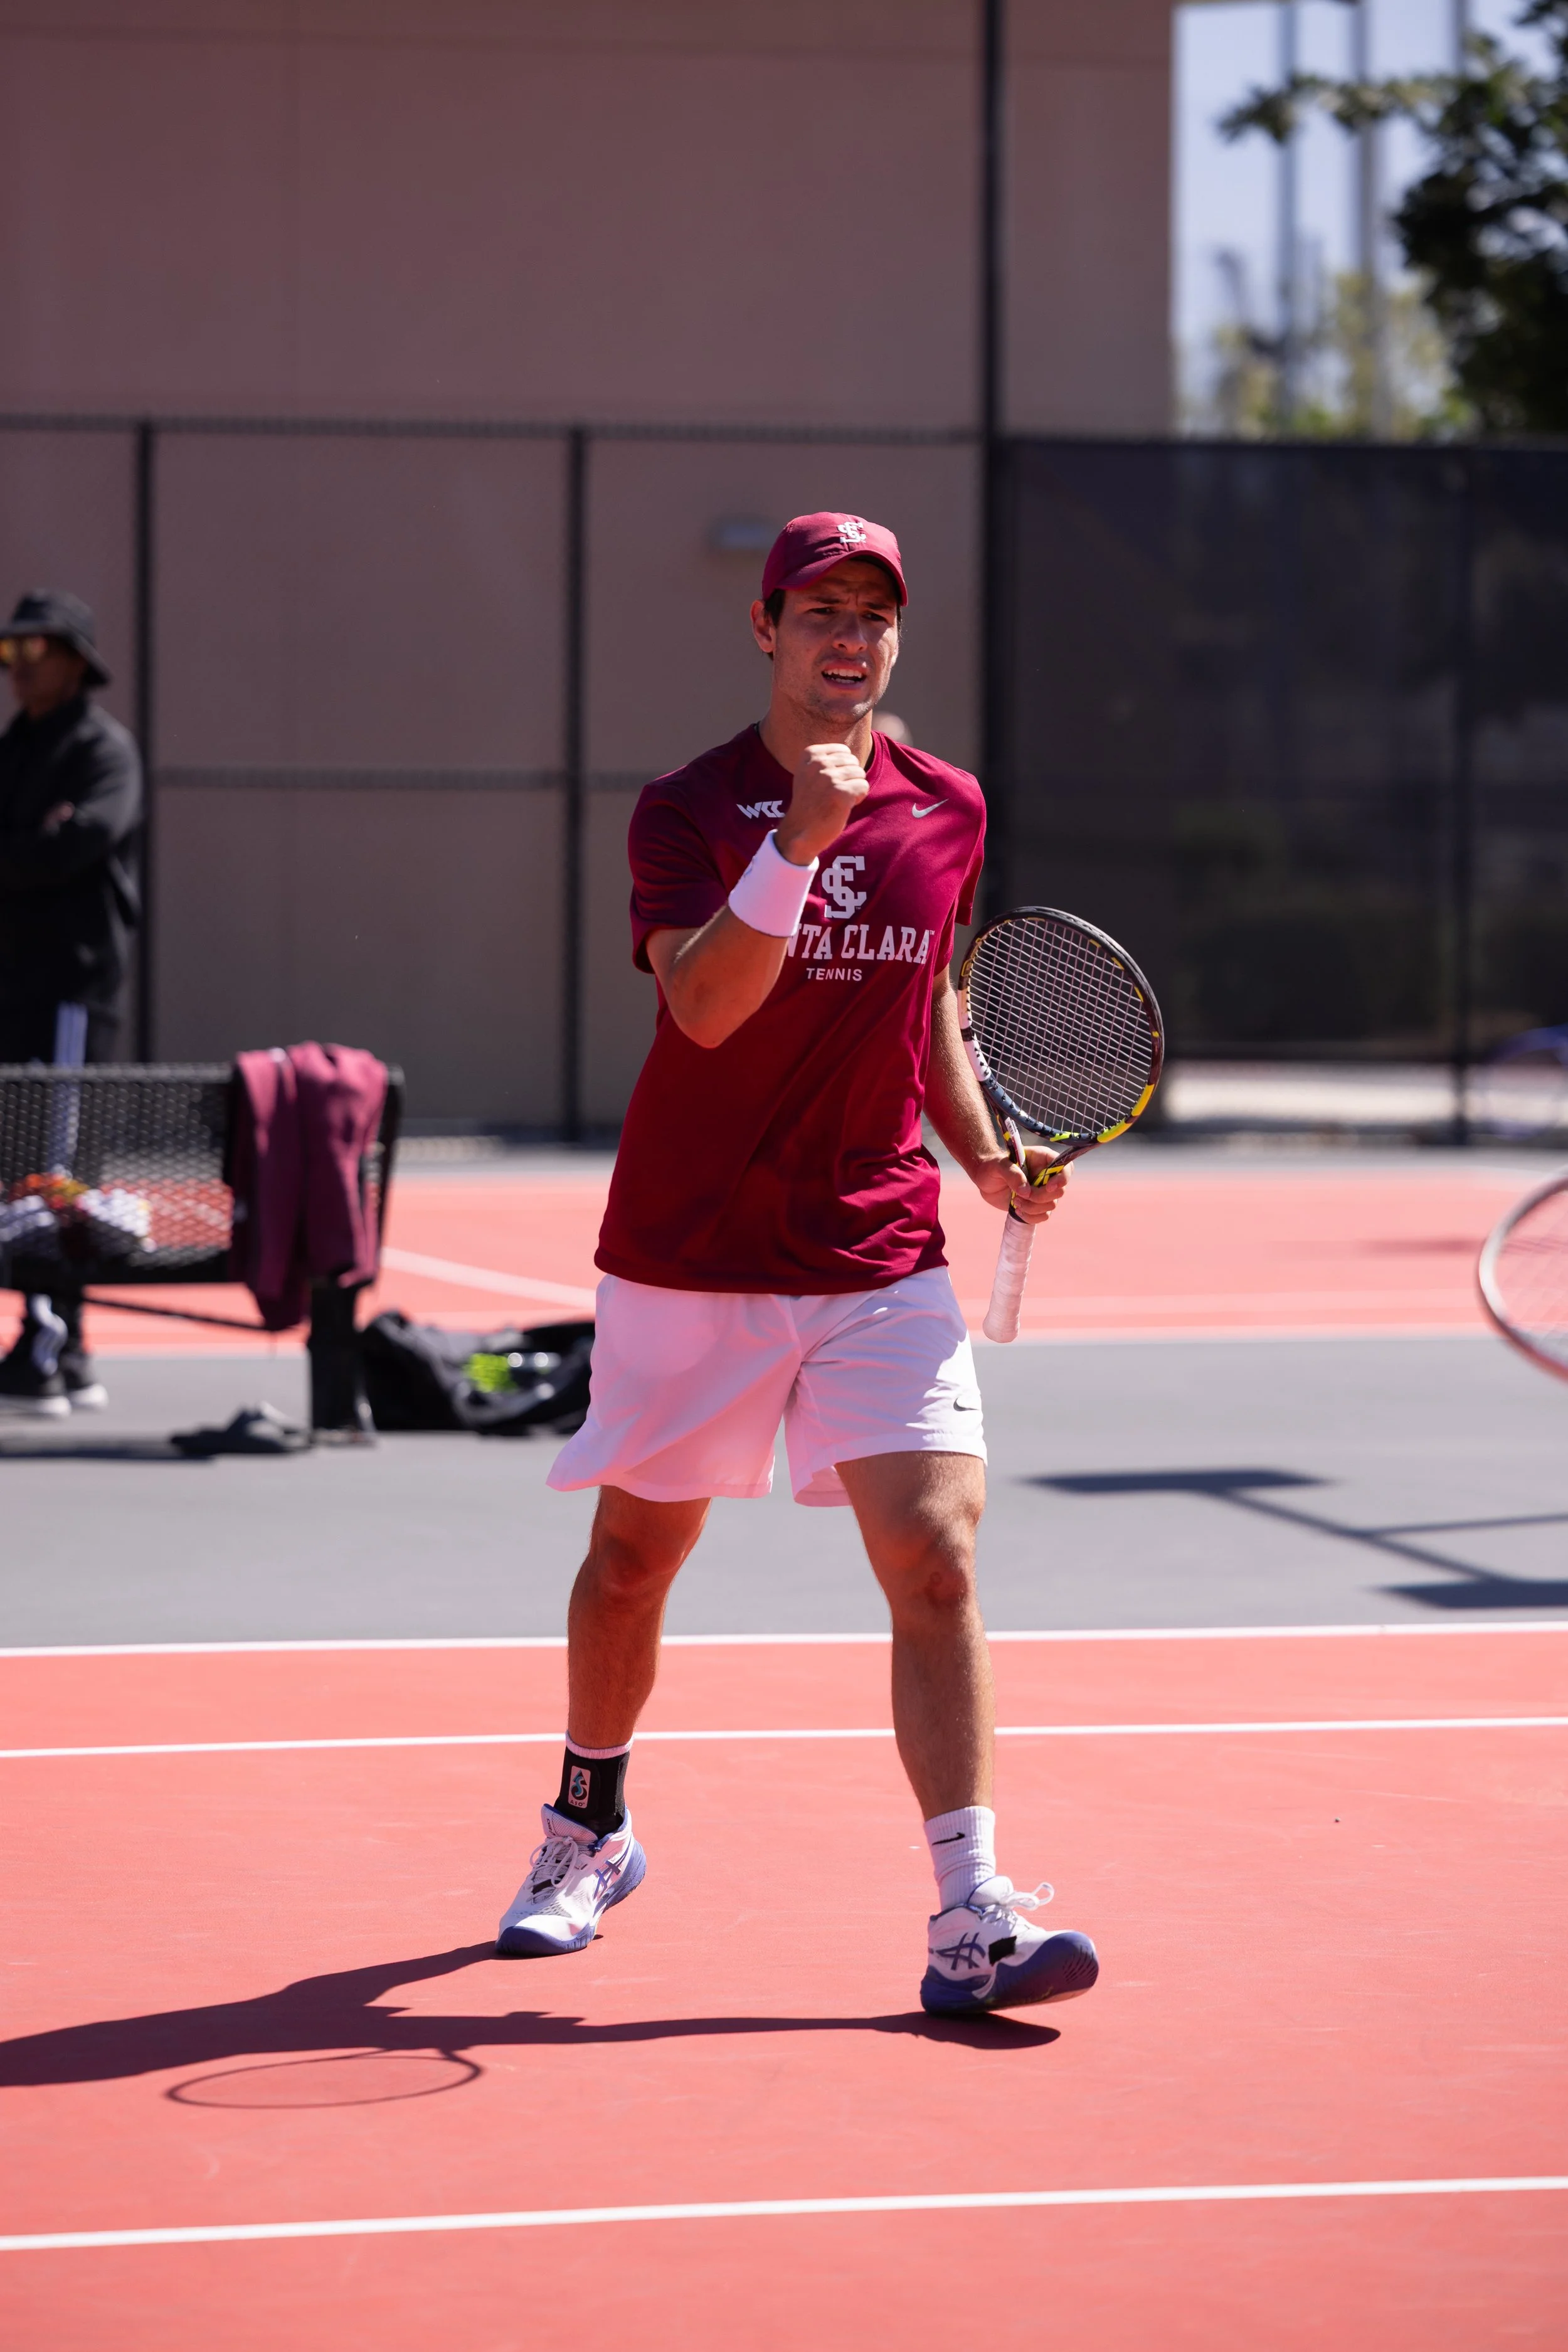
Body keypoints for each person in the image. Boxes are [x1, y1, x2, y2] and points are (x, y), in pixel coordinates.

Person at [495, 512, 1099, 2018]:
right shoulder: (686, 809)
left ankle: (969, 1915)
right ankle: (587, 1826)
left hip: (877, 1250)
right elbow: (703, 1009)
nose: (850, 636)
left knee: (937, 1557)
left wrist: (983, 1157)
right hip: (691, 1249)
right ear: (763, 628)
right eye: (820, 609)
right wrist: (794, 846)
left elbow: (931, 1003)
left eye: (873, 614)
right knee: (633, 1564)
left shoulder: (947, 806)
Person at [0, 590, 142, 1417]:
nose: (18, 668)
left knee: (55, 1171)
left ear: (77, 661)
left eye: (35, 650)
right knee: (20, 1168)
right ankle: (55, 1342)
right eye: (8, 652)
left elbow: (76, 845)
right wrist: (33, 844)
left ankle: (56, 1345)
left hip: (70, 994)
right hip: (15, 990)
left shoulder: (103, 750)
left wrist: (34, 848)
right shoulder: (16, 748)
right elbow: (38, 851)